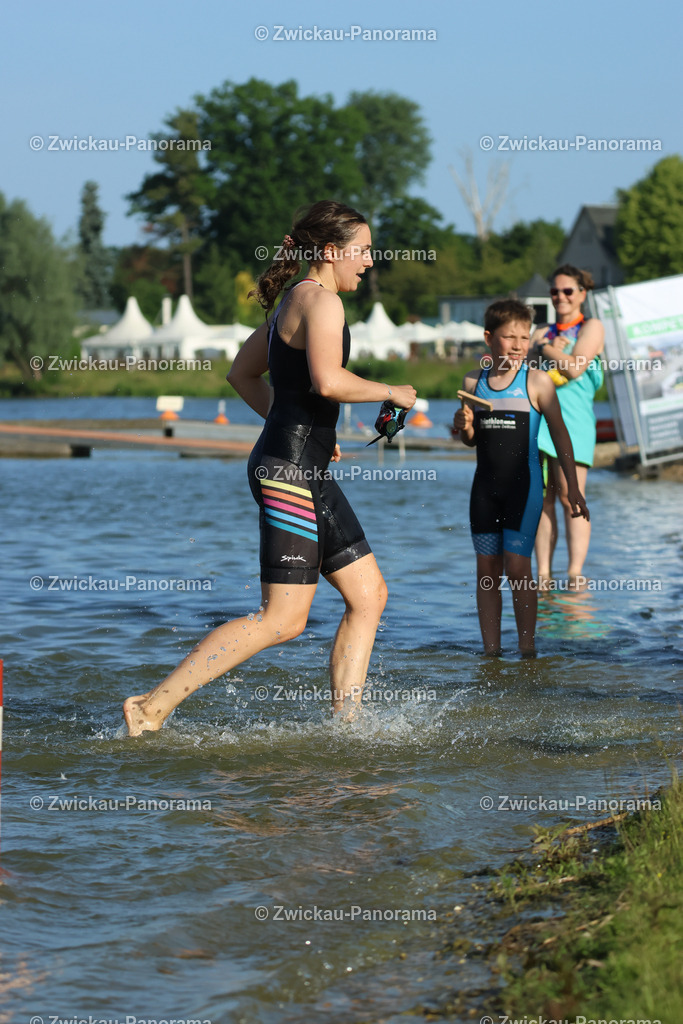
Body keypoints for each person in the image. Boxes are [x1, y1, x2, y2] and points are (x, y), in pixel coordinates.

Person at [123, 200, 416, 735]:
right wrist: (393, 390)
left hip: (297, 464)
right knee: (283, 619)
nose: (371, 261)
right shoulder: (322, 303)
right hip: (288, 473)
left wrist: (300, 431)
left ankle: (347, 726)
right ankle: (150, 707)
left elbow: (242, 374)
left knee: (369, 595)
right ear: (331, 251)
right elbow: (328, 381)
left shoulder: (292, 302)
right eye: (364, 250)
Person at [453, 299, 589, 656]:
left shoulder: (537, 382)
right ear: (488, 337)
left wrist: (572, 486)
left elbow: (561, 436)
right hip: (484, 491)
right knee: (486, 569)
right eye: (508, 337)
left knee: (517, 567)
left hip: (524, 489)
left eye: (524, 337)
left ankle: (528, 650)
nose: (517, 345)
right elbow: (470, 440)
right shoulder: (472, 381)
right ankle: (491, 653)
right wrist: (464, 428)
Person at [530, 265, 605, 589]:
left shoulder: (592, 327)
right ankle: (544, 575)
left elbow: (575, 368)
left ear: (582, 294)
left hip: (573, 422)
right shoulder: (540, 330)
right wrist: (543, 348)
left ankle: (575, 574)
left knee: (569, 497)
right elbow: (522, 368)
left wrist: (547, 350)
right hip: (538, 421)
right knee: (542, 498)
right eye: (554, 291)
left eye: (567, 291)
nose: (560, 297)